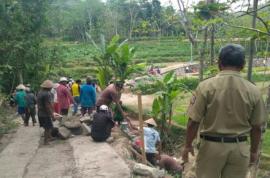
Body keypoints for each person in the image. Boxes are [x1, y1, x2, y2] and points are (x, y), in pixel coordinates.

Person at [182, 44, 267, 178]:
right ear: (243, 65)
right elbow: (257, 127)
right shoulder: (253, 91)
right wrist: (254, 151)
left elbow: (193, 121)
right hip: (239, 149)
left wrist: (187, 145)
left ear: (219, 63)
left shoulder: (205, 87)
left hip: (210, 148)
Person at [37, 80, 55, 145]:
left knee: (47, 126)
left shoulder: (39, 92)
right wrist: (52, 115)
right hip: (45, 114)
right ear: (49, 87)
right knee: (47, 128)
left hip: (40, 113)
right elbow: (47, 106)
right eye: (51, 87)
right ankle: (46, 141)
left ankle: (50, 137)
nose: (51, 88)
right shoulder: (47, 94)